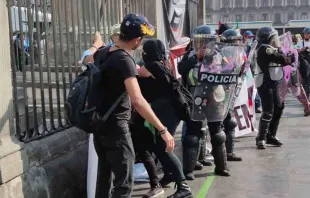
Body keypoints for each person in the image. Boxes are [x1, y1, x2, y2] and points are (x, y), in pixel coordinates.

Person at [92, 14, 175, 198]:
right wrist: (162, 129)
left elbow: (88, 57)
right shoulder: (124, 60)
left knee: (104, 178)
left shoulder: (103, 53)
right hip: (117, 129)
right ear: (137, 39)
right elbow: (138, 100)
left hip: (100, 125)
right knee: (123, 184)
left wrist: (96, 42)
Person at [134, 39, 193, 198]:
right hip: (169, 110)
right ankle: (169, 174)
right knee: (158, 146)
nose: (143, 54)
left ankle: (183, 187)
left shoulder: (152, 66)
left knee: (164, 147)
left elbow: (134, 73)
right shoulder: (162, 64)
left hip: (168, 111)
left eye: (144, 51)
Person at [178, 25, 215, 180]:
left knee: (205, 129)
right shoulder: (189, 55)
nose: (204, 45)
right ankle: (189, 166)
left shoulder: (216, 55)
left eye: (207, 42)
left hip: (211, 95)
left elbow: (228, 68)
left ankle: (202, 157)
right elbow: (181, 69)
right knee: (192, 131)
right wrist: (196, 57)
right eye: (201, 41)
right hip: (193, 94)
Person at [255, 27, 295, 149]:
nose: (276, 40)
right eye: (274, 37)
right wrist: (288, 58)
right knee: (268, 110)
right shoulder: (264, 49)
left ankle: (271, 135)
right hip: (265, 82)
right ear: (267, 38)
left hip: (273, 81)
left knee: (278, 107)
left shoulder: (272, 49)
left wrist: (288, 56)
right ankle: (261, 138)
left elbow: (282, 58)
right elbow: (280, 59)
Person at [220, 29, 243, 161]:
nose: (238, 43)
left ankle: (229, 152)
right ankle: (221, 153)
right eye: (236, 40)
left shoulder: (237, 54)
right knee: (221, 124)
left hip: (230, 90)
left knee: (230, 122)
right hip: (220, 91)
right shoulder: (221, 54)